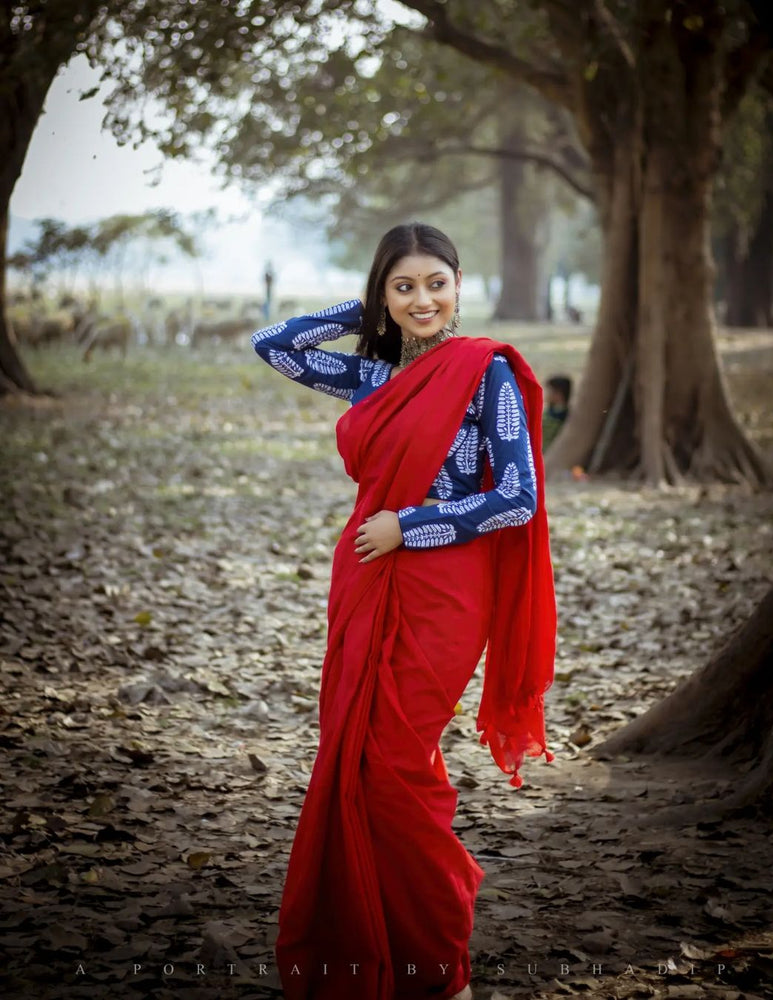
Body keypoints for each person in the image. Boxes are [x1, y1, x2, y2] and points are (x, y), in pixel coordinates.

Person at [251, 222, 557, 1000]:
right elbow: (275, 343)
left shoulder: (485, 372)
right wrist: (365, 316)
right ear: (382, 296)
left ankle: (439, 956)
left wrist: (410, 526)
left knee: (392, 763)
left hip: (446, 587)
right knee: (354, 758)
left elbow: (516, 498)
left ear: (460, 285)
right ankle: (373, 943)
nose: (424, 299)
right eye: (404, 286)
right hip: (365, 579)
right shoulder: (373, 375)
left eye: (437, 283)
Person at [541, 374, 572, 451]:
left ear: (558, 394)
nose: (545, 394)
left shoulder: (560, 415)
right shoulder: (550, 411)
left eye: (549, 391)